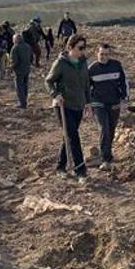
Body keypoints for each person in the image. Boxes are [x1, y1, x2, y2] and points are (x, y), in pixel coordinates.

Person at [45, 34, 91, 183]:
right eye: (80, 48)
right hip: (63, 106)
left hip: (78, 105)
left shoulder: (83, 62)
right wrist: (55, 94)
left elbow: (86, 85)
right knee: (74, 137)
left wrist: (88, 103)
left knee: (69, 137)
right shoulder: (61, 63)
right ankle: (81, 171)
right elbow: (49, 81)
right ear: (70, 48)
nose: (83, 51)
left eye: (84, 47)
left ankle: (60, 166)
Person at [88, 44, 128, 169]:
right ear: (97, 53)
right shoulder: (92, 69)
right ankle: (106, 158)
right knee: (103, 128)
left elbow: (123, 82)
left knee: (111, 129)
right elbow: (87, 88)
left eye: (106, 54)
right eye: (102, 54)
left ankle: (107, 152)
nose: (104, 57)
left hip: (114, 102)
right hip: (98, 103)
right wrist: (87, 103)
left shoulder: (116, 65)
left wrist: (124, 99)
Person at [10, 34, 34, 108]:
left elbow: (15, 61)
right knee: (25, 85)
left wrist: (11, 68)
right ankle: (24, 101)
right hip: (27, 68)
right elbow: (31, 57)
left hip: (19, 70)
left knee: (19, 86)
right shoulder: (28, 46)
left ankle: (22, 103)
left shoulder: (15, 48)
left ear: (16, 39)